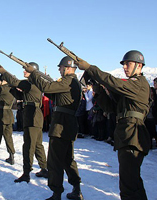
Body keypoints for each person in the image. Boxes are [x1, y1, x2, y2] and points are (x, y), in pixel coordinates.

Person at [76, 50, 150, 200]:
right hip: (127, 136)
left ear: (139, 65)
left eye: (127, 63)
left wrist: (91, 68)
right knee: (132, 181)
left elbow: (114, 83)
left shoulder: (139, 84)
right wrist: (97, 88)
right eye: (124, 64)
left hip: (133, 136)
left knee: (128, 185)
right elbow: (111, 107)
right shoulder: (131, 88)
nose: (124, 67)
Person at [23, 56, 84, 200]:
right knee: (68, 160)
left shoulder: (68, 81)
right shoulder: (72, 82)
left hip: (61, 126)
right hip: (67, 125)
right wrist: (37, 79)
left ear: (67, 68)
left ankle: (56, 193)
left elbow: (47, 88)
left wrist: (34, 73)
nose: (59, 69)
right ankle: (76, 188)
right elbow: (51, 93)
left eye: (61, 67)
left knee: (55, 161)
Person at [0, 62, 48, 183]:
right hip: (34, 116)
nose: (24, 71)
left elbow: (15, 82)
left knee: (28, 145)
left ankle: (26, 172)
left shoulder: (32, 83)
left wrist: (4, 72)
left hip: (32, 116)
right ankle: (44, 168)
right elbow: (21, 95)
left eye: (27, 70)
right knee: (38, 145)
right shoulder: (33, 84)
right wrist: (12, 89)